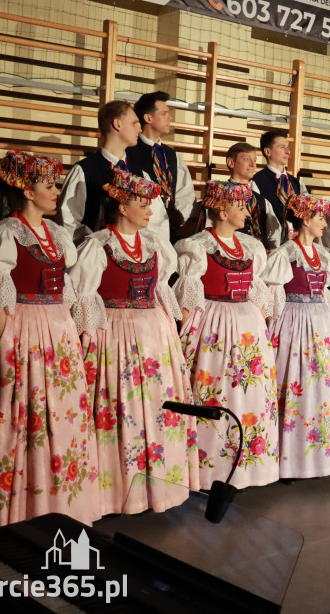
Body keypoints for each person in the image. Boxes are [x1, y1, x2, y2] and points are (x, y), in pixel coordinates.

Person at [0, 151, 100, 532]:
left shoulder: (57, 235)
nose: (56, 192)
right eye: (49, 185)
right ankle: (26, 506)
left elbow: (67, 292)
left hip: (58, 331)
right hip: (27, 332)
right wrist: (6, 342)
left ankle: (63, 502)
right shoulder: (7, 233)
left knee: (62, 416)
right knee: (30, 419)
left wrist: (71, 331)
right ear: (26, 189)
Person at [69, 168, 196, 514]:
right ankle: (118, 492)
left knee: (157, 409)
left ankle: (161, 487)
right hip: (115, 335)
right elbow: (83, 296)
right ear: (122, 207)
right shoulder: (98, 246)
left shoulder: (156, 247)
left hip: (154, 335)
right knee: (119, 410)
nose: (150, 210)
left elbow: (160, 291)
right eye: (142, 204)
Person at [173, 181, 279, 488]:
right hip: (214, 327)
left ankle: (247, 466)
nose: (246, 213)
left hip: (247, 329)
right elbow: (188, 302)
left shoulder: (251, 247)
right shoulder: (197, 247)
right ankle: (210, 468)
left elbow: (257, 293)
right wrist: (185, 341)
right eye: (241, 207)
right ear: (222, 211)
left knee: (249, 394)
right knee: (215, 391)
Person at [262, 194, 330, 477]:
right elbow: (272, 299)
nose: (325, 223)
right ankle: (289, 458)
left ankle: (319, 455)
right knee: (296, 384)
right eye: (320, 218)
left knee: (320, 386)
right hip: (293, 323)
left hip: (321, 324)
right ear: (305, 219)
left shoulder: (325, 256)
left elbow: (328, 293)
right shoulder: (284, 255)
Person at [61, 100, 166, 244]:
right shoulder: (84, 170)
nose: (140, 129)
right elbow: (68, 221)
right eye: (134, 123)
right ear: (117, 124)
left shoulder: (141, 174)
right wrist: (100, 244)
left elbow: (158, 220)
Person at [125, 91, 195, 242]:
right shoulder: (129, 152)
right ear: (148, 118)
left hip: (168, 231)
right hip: (140, 232)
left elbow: (185, 192)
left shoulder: (172, 155)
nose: (170, 118)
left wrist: (178, 217)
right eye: (164, 113)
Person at [252, 129, 309, 250]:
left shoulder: (296, 184)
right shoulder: (257, 181)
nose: (288, 152)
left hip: (297, 245)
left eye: (288, 147)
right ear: (268, 151)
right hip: (271, 247)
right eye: (282, 147)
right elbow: (256, 219)